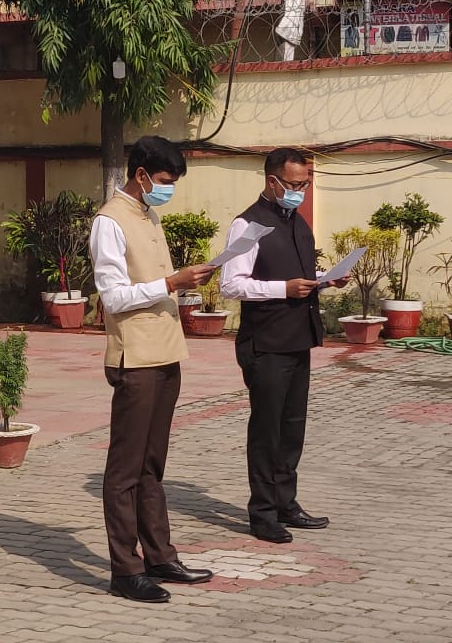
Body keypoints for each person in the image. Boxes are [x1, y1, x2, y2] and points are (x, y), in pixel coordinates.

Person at [90, 135, 214, 604]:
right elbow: (114, 296)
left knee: (152, 465)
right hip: (134, 357)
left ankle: (159, 555)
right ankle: (125, 569)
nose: (168, 190)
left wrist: (180, 281)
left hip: (165, 352)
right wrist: (172, 281)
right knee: (124, 470)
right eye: (164, 181)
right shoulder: (109, 221)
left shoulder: (148, 213)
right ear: (141, 175)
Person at [221, 147, 349, 545]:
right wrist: (283, 289)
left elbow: (298, 274)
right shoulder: (248, 224)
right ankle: (262, 513)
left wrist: (327, 278)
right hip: (266, 342)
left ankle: (285, 503)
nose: (299, 192)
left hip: (298, 337)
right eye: (293, 185)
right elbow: (230, 284)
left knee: (292, 428)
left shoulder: (297, 222)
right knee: (267, 429)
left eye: (304, 185)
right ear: (271, 181)